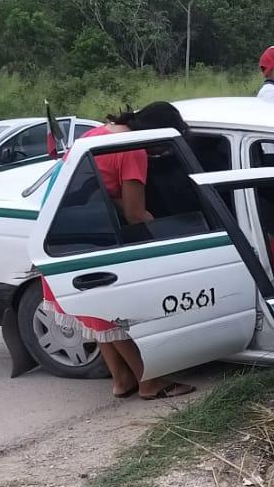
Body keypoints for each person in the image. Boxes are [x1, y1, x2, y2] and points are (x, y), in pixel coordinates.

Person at [41, 101, 196, 401]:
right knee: (110, 313)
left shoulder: (97, 133)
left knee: (94, 308)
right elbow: (135, 214)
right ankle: (149, 381)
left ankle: (122, 379)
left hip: (62, 232)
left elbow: (105, 190)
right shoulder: (132, 148)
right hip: (91, 234)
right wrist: (168, 230)